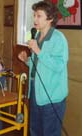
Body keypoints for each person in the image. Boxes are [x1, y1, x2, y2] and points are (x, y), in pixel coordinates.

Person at [18, 1, 69, 136]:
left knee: (49, 133)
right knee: (35, 130)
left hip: (52, 96)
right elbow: (39, 65)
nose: (34, 19)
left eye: (39, 16)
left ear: (50, 18)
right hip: (35, 91)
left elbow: (58, 66)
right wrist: (27, 60)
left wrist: (38, 51)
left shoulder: (59, 38)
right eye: (34, 15)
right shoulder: (37, 36)